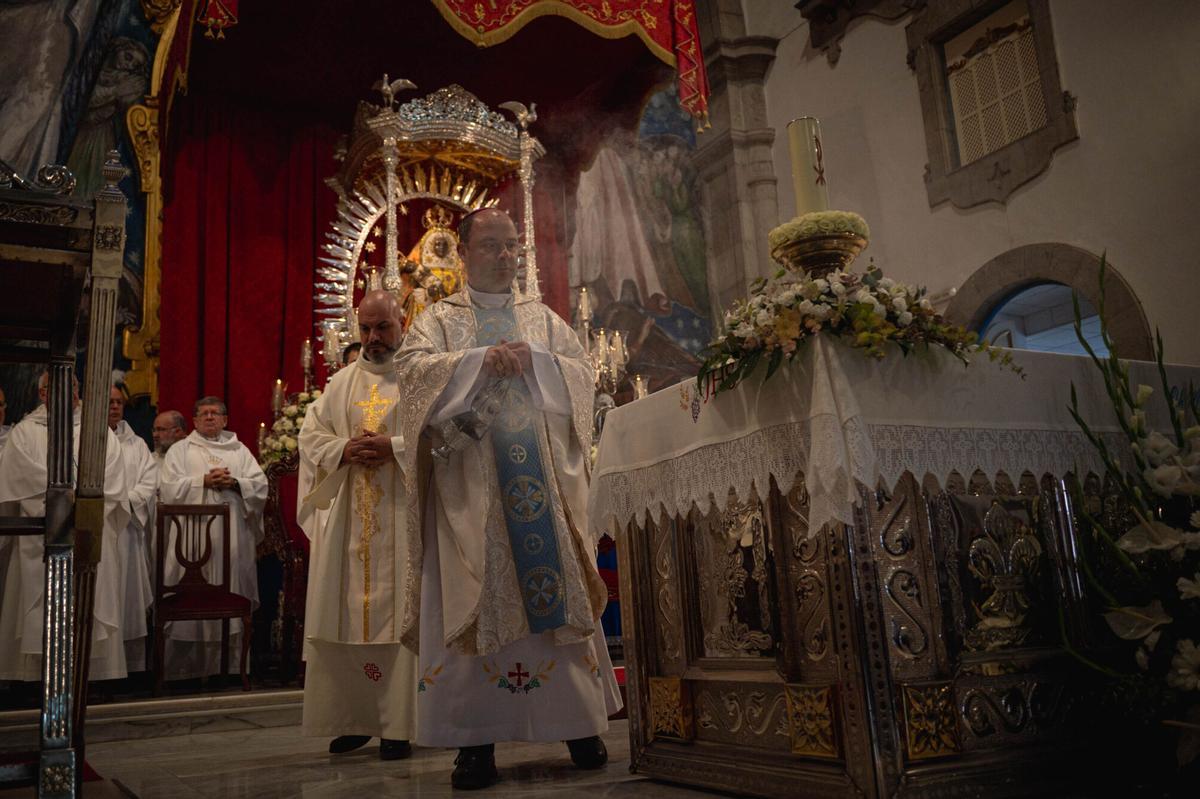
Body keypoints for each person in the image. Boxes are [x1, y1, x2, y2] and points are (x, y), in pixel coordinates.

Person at [395, 208, 621, 790]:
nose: (504, 255)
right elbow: (413, 376)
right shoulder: (438, 322)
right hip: (472, 495)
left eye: (511, 245)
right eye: (490, 245)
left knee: (557, 601)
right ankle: (475, 743)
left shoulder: (541, 320)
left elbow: (582, 374)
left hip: (541, 488)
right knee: (476, 596)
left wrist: (537, 362)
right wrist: (475, 362)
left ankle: (577, 725)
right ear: (464, 253)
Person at [297, 290, 416, 760]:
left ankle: (398, 725)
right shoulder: (341, 383)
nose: (372, 338)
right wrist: (344, 450)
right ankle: (355, 718)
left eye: (382, 328)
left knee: (400, 619)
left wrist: (395, 448)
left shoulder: (418, 378)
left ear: (402, 323)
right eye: (365, 328)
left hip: (403, 518)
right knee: (345, 617)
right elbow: (311, 435)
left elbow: (437, 435)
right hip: (350, 524)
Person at [0, 371, 130, 681]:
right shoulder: (25, 432)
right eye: (62, 388)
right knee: (38, 601)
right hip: (44, 529)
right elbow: (19, 477)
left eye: (74, 388)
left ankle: (89, 674)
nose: (72, 395)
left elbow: (112, 473)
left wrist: (82, 499)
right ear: (43, 394)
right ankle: (35, 677)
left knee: (88, 595)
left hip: (87, 524)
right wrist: (62, 499)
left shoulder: (97, 430)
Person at [157, 396, 267, 679]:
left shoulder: (239, 450)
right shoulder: (181, 450)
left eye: (215, 413)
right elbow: (168, 489)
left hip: (233, 540)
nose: (209, 418)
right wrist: (203, 482)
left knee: (231, 588)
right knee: (191, 597)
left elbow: (260, 486)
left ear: (225, 420)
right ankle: (184, 672)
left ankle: (230, 670)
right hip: (191, 539)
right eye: (203, 413)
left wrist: (235, 482)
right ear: (193, 421)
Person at [108, 384, 156, 670]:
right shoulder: (86, 439)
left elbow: (149, 482)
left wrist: (126, 503)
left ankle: (130, 666)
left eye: (118, 402)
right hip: (100, 526)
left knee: (127, 596)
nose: (115, 407)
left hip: (127, 529)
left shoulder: (136, 443)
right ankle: (99, 665)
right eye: (110, 402)